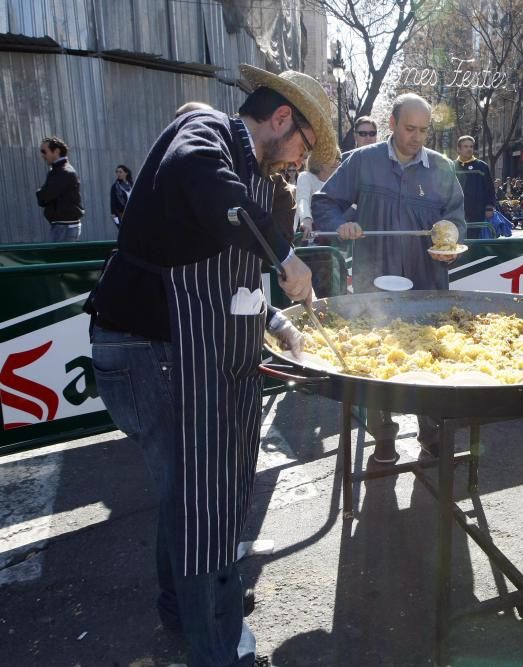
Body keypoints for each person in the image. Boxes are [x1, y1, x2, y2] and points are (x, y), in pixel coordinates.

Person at [85, 64, 332, 666]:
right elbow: (207, 188)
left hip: (176, 352)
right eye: (302, 144)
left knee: (187, 497)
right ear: (280, 119)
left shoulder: (251, 171)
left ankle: (186, 607)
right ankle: (217, 648)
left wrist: (276, 322)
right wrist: (286, 256)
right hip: (148, 350)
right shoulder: (203, 133)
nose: (297, 161)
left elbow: (231, 284)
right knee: (201, 502)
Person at [312, 92, 465, 461]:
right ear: (393, 124)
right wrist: (342, 225)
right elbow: (323, 203)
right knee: (377, 357)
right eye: (409, 128)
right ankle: (383, 436)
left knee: (430, 356)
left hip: (427, 280)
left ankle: (431, 431)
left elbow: (457, 221)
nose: (416, 137)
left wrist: (450, 242)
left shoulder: (442, 168)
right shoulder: (362, 161)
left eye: (423, 130)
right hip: (374, 281)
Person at [36, 136, 84, 242]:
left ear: (56, 151)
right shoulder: (59, 170)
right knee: (62, 257)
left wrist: (40, 192)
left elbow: (44, 197)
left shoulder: (64, 172)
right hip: (63, 225)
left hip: (64, 227)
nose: (42, 155)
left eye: (44, 151)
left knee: (61, 257)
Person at [454, 135, 496, 239]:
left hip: (477, 212)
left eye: (471, 146)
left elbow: (490, 189)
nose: (469, 149)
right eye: (465, 146)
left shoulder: (482, 166)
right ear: (459, 149)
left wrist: (489, 207)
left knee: (475, 242)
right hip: (456, 212)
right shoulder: (451, 166)